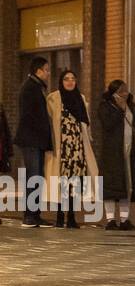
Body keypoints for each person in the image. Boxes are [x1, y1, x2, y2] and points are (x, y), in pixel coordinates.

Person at [92, 80, 135, 231]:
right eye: (120, 91)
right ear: (113, 93)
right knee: (111, 187)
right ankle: (110, 219)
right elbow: (107, 125)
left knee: (127, 187)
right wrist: (120, 110)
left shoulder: (132, 106)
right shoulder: (105, 107)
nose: (124, 94)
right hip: (112, 154)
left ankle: (124, 219)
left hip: (130, 154)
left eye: (126, 90)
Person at [46, 69, 96, 229]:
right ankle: (60, 216)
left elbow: (86, 122)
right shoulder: (53, 98)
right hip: (62, 147)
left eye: (73, 79)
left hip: (78, 146)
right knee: (62, 182)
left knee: (76, 182)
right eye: (66, 79)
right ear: (61, 81)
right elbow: (49, 121)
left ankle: (72, 217)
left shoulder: (80, 98)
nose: (70, 81)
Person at [15, 57, 52, 228]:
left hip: (36, 140)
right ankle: (29, 215)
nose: (48, 73)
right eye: (46, 69)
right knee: (33, 176)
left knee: (37, 176)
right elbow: (29, 115)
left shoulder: (36, 87)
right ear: (38, 71)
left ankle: (35, 214)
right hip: (31, 140)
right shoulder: (30, 88)